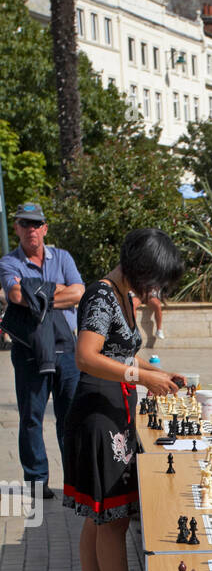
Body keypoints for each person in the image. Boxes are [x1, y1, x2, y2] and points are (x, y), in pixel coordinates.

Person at [63, 228, 185, 571]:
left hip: (111, 410)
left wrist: (156, 373)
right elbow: (86, 356)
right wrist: (142, 375)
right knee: (113, 520)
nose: (155, 286)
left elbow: (118, 352)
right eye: (154, 276)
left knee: (100, 516)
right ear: (138, 266)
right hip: (99, 416)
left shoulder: (119, 294)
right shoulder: (101, 294)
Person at [0, 201, 84, 496]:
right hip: (29, 351)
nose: (31, 229)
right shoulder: (8, 262)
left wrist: (37, 294)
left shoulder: (62, 257)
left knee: (71, 417)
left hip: (67, 349)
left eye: (36, 224)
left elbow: (78, 293)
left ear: (45, 228)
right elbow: (15, 294)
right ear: (17, 228)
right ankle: (37, 481)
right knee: (31, 418)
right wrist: (54, 290)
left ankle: (75, 480)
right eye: (25, 223)